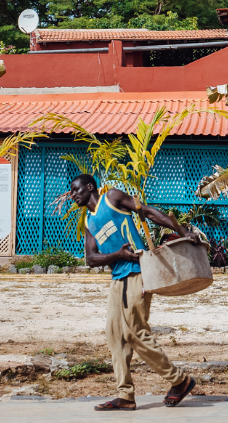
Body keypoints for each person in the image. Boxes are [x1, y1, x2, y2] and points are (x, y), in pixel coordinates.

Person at [69, 174, 198, 410]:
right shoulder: (89, 222)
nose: (73, 194)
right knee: (115, 334)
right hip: (118, 279)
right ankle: (125, 395)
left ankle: (180, 380)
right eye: (71, 192)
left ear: (90, 187)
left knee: (136, 332)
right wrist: (117, 255)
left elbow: (147, 211)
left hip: (138, 271)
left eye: (76, 189)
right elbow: (90, 258)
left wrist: (182, 231)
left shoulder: (112, 198)